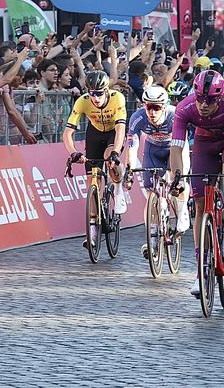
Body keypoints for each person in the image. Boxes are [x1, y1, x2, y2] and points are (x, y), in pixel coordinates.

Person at [169, 70, 224, 297]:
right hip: (203, 145)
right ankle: (201, 272)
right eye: (200, 98)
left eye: (210, 100)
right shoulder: (186, 107)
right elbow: (176, 146)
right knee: (201, 204)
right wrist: (177, 176)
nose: (203, 105)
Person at [63, 71, 128, 249]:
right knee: (93, 181)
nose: (95, 98)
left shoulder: (117, 98)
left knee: (110, 158)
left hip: (113, 133)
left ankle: (117, 190)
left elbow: (121, 128)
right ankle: (92, 235)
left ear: (106, 90)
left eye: (99, 93)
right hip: (95, 134)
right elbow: (68, 133)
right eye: (92, 93)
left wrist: (115, 151)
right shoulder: (82, 101)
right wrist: (73, 153)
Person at [125, 87, 189, 259]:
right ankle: (152, 240)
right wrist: (129, 169)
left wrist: (178, 174)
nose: (152, 112)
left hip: (175, 147)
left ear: (164, 106)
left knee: (178, 182)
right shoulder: (138, 117)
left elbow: (182, 144)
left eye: (157, 107)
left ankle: (181, 212)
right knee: (151, 194)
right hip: (152, 149)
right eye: (149, 107)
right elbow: (132, 145)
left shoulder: (174, 115)